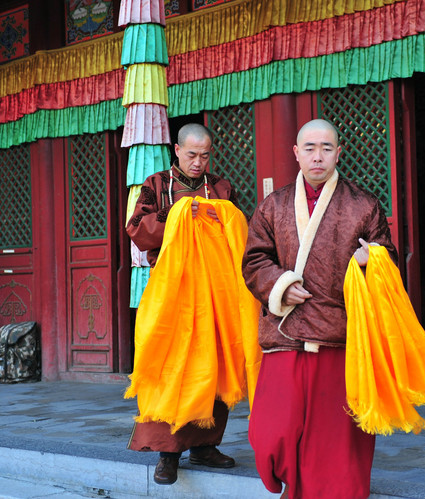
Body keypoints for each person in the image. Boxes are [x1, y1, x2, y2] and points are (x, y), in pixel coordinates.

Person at [242, 119, 398, 498]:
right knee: (271, 432)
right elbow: (253, 261)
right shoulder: (273, 205)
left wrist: (372, 259)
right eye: (309, 148)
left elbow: (389, 261)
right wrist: (280, 284)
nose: (318, 156)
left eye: (326, 148)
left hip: (339, 338)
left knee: (336, 443)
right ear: (296, 153)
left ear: (338, 152)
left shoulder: (363, 205)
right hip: (286, 333)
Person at [126, 123, 238, 485]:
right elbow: (136, 228)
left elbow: (237, 229)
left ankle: (205, 444)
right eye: (191, 155)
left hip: (212, 291)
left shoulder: (220, 188)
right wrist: (177, 217)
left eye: (205, 155)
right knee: (171, 368)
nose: (198, 162)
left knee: (211, 367)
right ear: (176, 150)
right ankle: (167, 453)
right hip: (172, 289)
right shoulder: (157, 186)